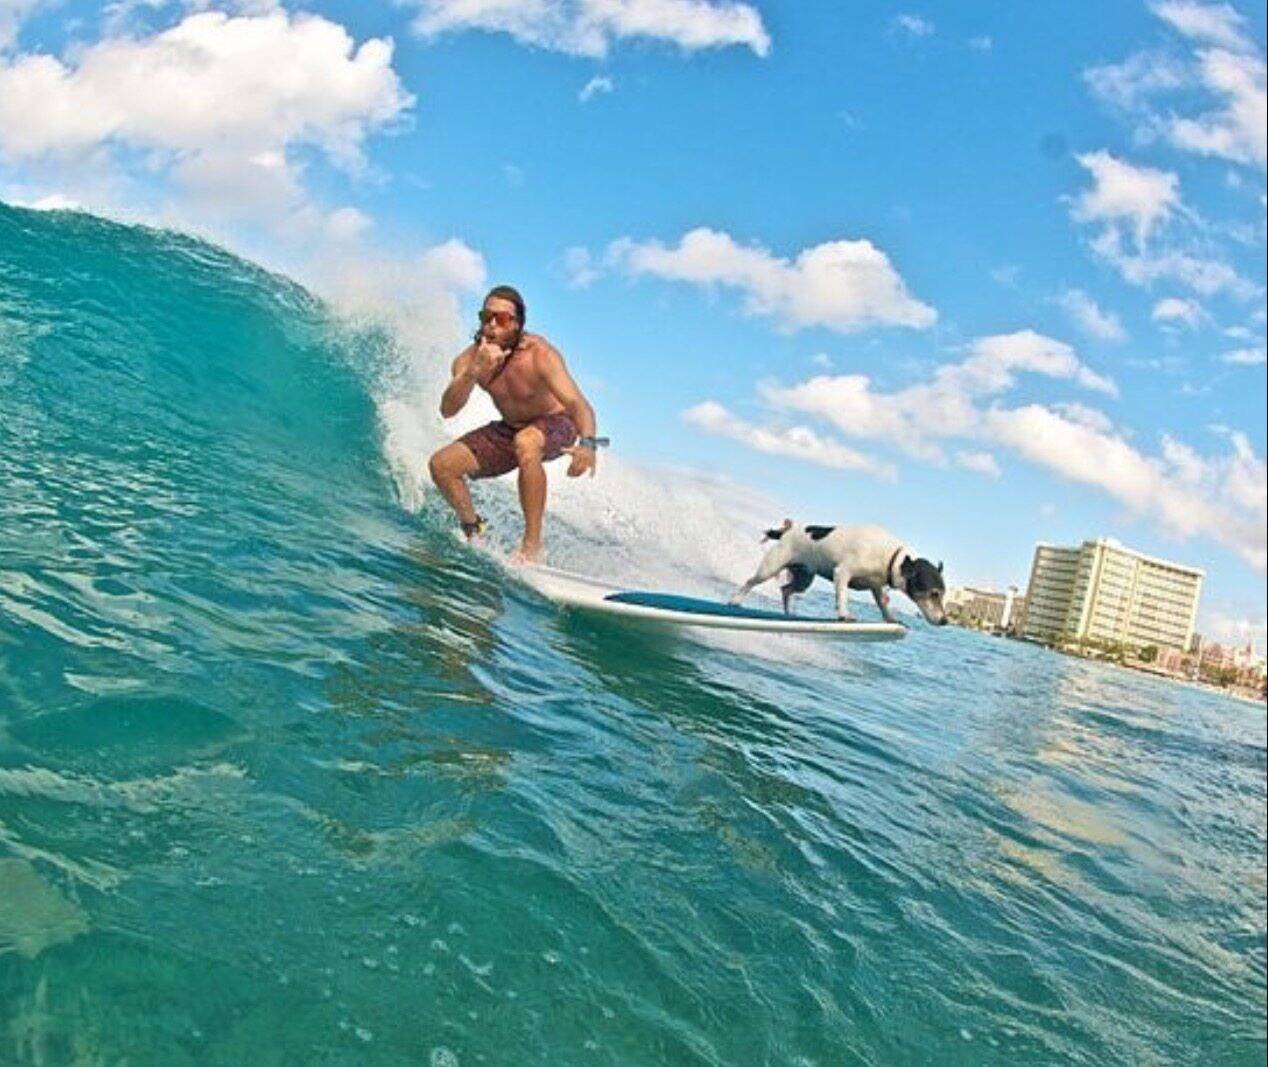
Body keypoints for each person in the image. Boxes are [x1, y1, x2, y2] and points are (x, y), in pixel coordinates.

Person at [428, 285, 602, 563]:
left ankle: (531, 547)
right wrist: (474, 372)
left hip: (559, 424)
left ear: (518, 324)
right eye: (486, 317)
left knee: (527, 442)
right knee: (442, 466)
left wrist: (589, 445)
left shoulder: (540, 355)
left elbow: (579, 405)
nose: (492, 324)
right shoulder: (470, 359)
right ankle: (474, 529)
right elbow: (447, 409)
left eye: (503, 318)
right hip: (510, 428)